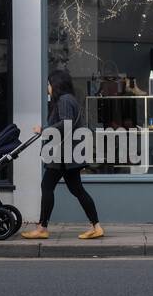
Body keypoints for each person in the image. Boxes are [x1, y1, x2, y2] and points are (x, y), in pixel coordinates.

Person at [22, 69, 103, 240]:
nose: (47, 87)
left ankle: (42, 228)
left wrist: (43, 130)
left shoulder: (65, 100)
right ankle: (96, 226)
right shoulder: (68, 99)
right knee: (77, 190)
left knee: (47, 187)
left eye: (49, 84)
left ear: (56, 84)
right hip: (67, 155)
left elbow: (66, 124)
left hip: (63, 155)